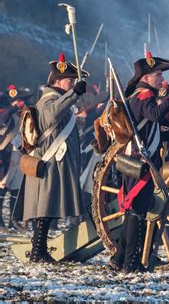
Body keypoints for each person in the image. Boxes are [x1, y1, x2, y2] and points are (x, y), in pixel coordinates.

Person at [108, 51, 169, 273]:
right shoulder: (142, 97)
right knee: (135, 212)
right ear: (146, 77)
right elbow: (156, 115)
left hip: (143, 160)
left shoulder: (144, 97)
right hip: (138, 162)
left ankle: (120, 259)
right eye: (158, 75)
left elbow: (154, 132)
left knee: (135, 211)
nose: (161, 79)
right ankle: (130, 263)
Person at [13, 53, 89, 263]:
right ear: (57, 82)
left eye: (73, 81)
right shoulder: (48, 99)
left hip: (56, 162)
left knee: (48, 209)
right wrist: (74, 93)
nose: (72, 84)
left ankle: (41, 251)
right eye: (69, 81)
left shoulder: (58, 99)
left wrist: (72, 93)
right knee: (43, 210)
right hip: (48, 162)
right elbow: (52, 115)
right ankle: (38, 252)